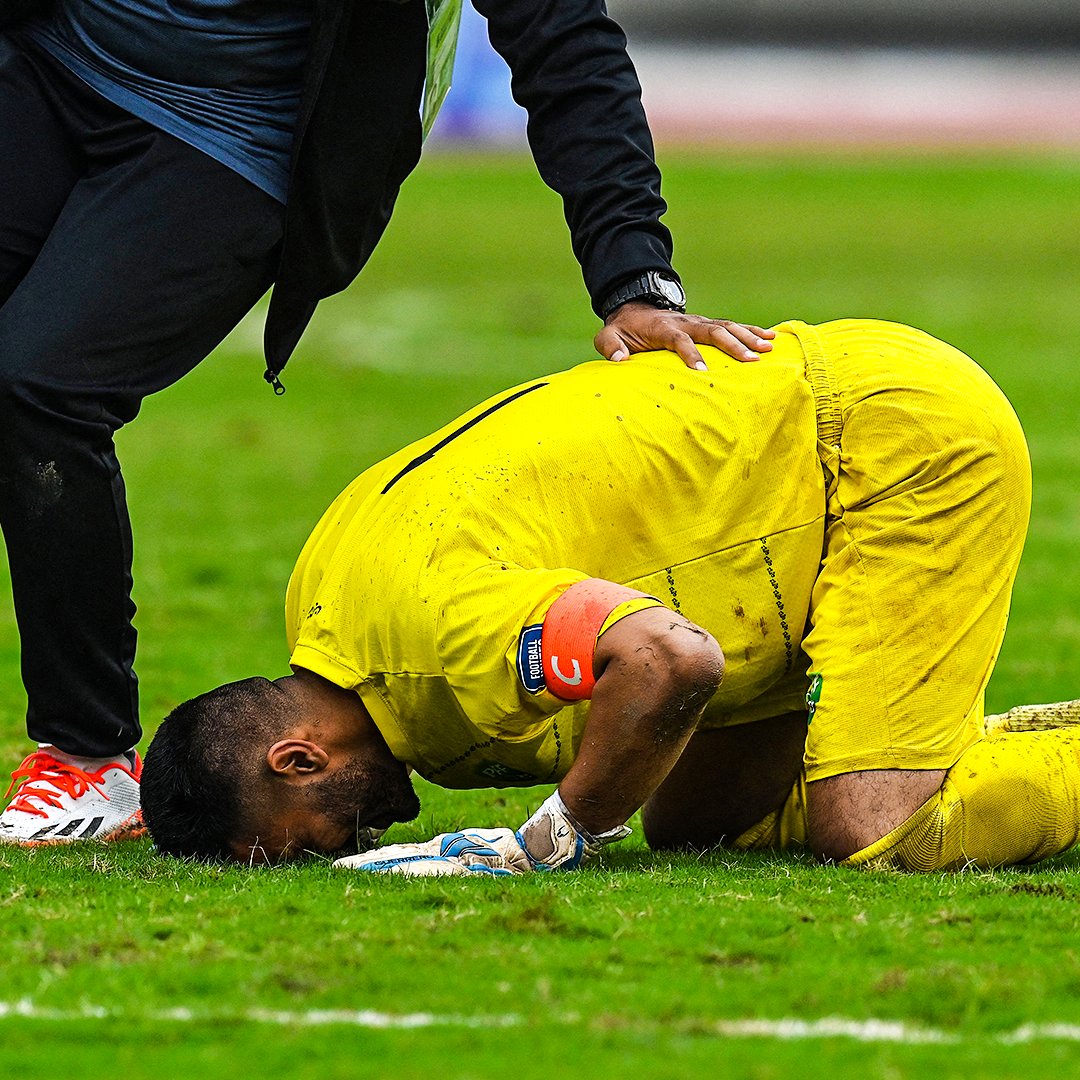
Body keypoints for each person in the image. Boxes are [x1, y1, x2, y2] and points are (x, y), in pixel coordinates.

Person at [0, 0, 775, 844]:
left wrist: (634, 274)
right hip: (50, 55)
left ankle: (85, 755)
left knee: (41, 387)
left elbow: (562, 37)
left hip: (229, 133)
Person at [140, 318, 1079, 875]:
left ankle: (922, 770)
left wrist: (559, 837)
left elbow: (669, 659)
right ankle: (960, 743)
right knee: (698, 828)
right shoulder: (328, 603)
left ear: (296, 760)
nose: (344, 854)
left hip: (883, 451)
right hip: (793, 455)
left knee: (877, 831)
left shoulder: (438, 638)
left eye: (302, 847)